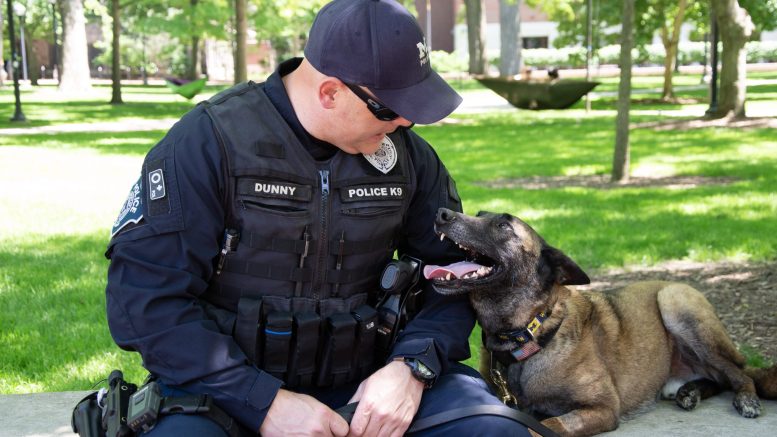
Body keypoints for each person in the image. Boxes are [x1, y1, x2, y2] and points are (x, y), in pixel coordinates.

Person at [105, 0, 531, 436]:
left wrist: (413, 366)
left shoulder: (409, 159)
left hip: (373, 384)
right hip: (226, 390)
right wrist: (262, 402)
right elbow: (146, 301)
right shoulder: (207, 144)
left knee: (496, 431)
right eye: (388, 108)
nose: (406, 120)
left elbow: (454, 279)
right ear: (330, 92)